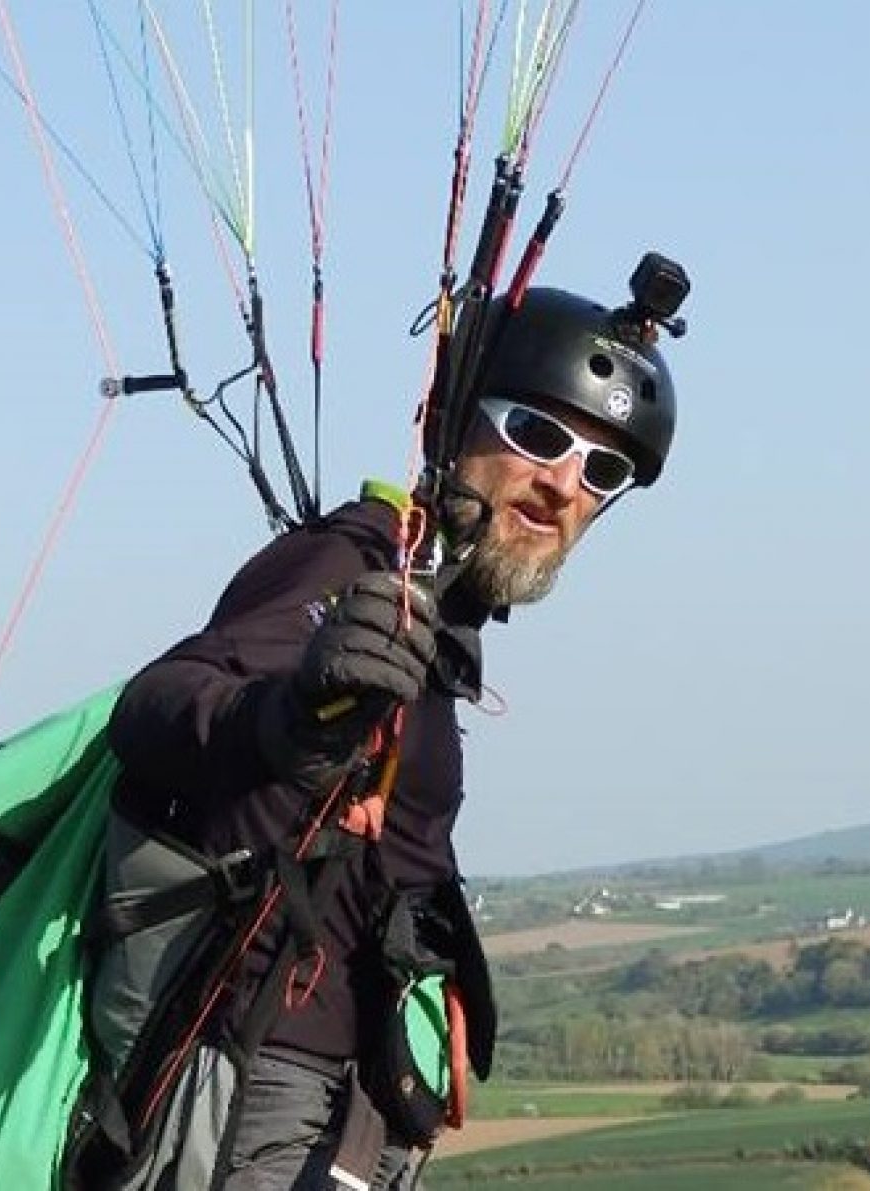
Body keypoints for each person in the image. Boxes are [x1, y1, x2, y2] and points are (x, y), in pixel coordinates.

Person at [95, 281, 681, 1191]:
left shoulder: (443, 612)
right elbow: (160, 706)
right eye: (537, 434)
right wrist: (287, 714)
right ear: (451, 419)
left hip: (347, 1109)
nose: (564, 483)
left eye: (603, 471)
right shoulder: (354, 563)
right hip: (265, 1092)